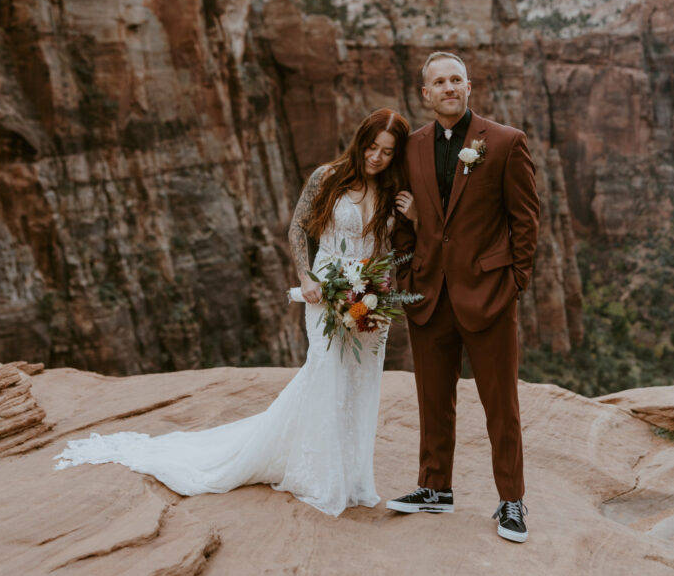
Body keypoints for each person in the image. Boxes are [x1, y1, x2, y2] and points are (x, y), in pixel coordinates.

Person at [54, 108, 411, 517]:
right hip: (326, 294)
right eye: (371, 147)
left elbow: (394, 251)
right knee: (327, 373)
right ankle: (320, 478)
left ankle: (352, 477)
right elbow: (297, 227)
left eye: (387, 151)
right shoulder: (326, 177)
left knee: (359, 384)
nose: (376, 157)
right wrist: (306, 276)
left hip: (370, 297)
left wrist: (384, 289)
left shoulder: (393, 191)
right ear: (360, 141)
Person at [388, 52, 539, 542]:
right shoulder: (409, 148)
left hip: (489, 293)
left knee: (501, 402)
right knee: (433, 397)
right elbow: (403, 217)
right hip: (428, 294)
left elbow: (525, 220)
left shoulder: (505, 142)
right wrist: (408, 273)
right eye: (439, 82)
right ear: (425, 94)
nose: (448, 87)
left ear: (468, 87)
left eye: (456, 79)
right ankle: (435, 488)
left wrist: (515, 282)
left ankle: (511, 501)